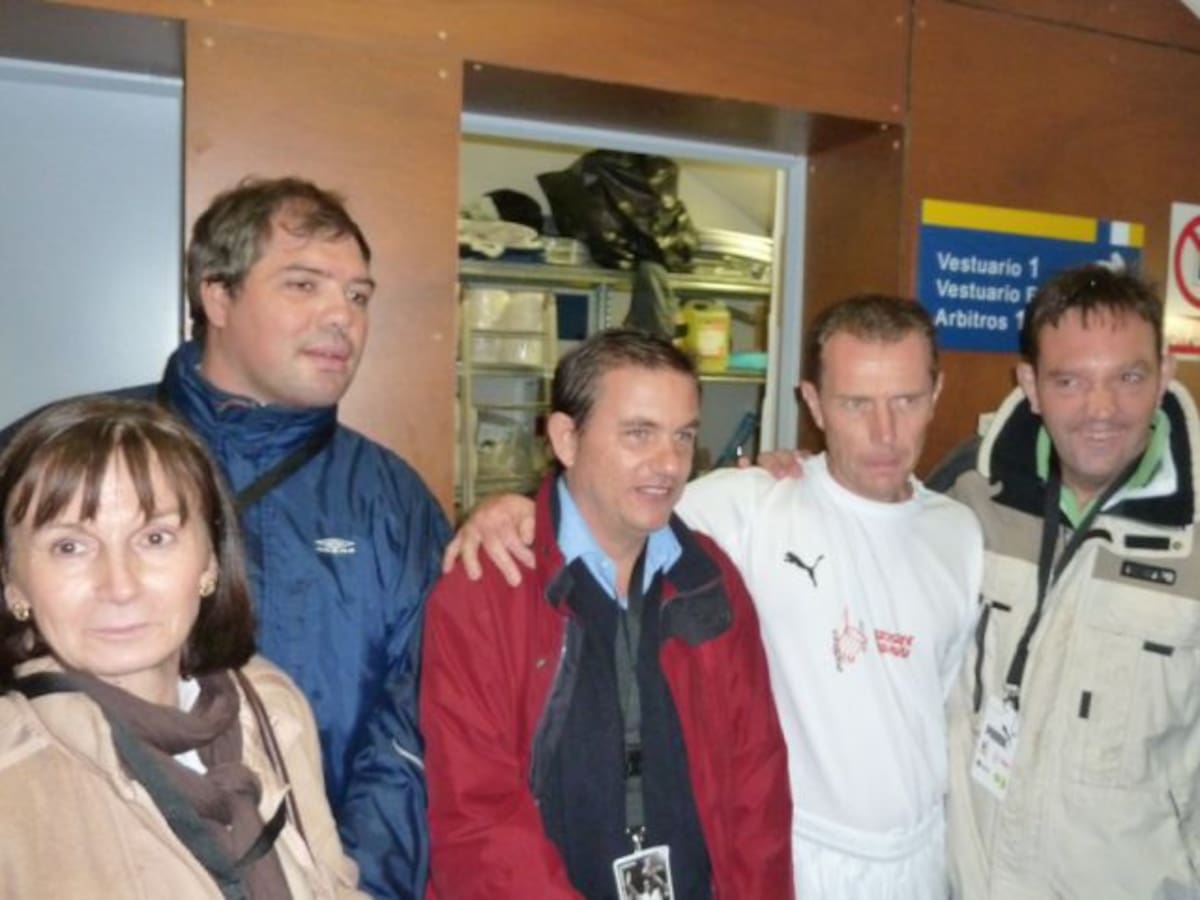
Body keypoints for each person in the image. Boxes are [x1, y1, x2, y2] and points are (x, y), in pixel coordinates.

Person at [446, 296, 984, 899]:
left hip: (909, 857)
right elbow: (476, 811)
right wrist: (507, 509)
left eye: (906, 400)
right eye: (856, 403)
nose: (884, 432)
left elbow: (761, 767)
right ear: (813, 404)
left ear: (936, 395)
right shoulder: (750, 507)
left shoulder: (959, 535)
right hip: (808, 856)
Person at [2, 177, 450, 898]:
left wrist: (359, 883)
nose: (342, 316)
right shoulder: (63, 457)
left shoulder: (395, 500)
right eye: (304, 285)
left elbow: (413, 725)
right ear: (217, 295)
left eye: (358, 296)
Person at [421, 329, 793, 899]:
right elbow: (477, 817)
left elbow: (757, 785)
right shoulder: (487, 592)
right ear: (566, 439)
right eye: (639, 434)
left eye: (683, 436)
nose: (669, 464)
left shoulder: (709, 581)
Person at [0, 396, 365, 899]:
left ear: (210, 560)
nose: (120, 585)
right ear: (13, 584)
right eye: (70, 547)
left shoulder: (268, 703)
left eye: (155, 538)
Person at [934, 265, 1200, 898]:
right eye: (1070, 381)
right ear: (1030, 384)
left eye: (1128, 378)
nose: (1101, 410)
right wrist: (787, 484)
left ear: (1165, 374)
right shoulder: (968, 492)